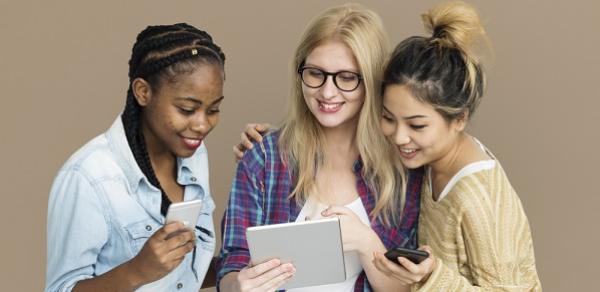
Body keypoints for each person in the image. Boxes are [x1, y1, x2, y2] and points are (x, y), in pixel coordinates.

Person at [218, 4, 424, 292]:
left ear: (372, 81)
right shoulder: (264, 158)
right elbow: (232, 264)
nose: (327, 92)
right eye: (316, 73)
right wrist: (237, 286)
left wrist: (366, 243)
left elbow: (407, 288)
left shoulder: (402, 171)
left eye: (347, 77)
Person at [371, 2, 542, 290]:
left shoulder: (477, 199)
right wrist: (275, 140)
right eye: (388, 118)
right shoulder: (432, 155)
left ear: (459, 118)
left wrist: (430, 276)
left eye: (417, 125)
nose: (399, 136)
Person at [45, 23, 226, 291]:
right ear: (143, 92)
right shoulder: (88, 176)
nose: (202, 125)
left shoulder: (194, 155)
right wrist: (136, 271)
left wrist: (240, 263)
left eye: (213, 110)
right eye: (187, 109)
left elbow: (181, 278)